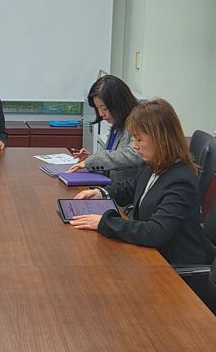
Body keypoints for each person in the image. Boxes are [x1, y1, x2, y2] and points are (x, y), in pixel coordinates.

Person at [70, 98, 206, 265]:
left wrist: (104, 223)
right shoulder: (156, 164)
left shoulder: (181, 181)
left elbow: (156, 232)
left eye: (139, 140)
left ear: (162, 139)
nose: (134, 146)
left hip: (172, 268)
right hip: (150, 256)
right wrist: (101, 192)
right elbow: (132, 187)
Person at [68, 75, 143, 181]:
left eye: (104, 108)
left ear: (119, 103)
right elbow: (112, 158)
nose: (101, 114)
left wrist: (93, 161)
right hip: (110, 186)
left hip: (126, 189)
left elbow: (133, 154)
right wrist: (89, 159)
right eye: (98, 108)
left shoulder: (140, 119)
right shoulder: (118, 122)